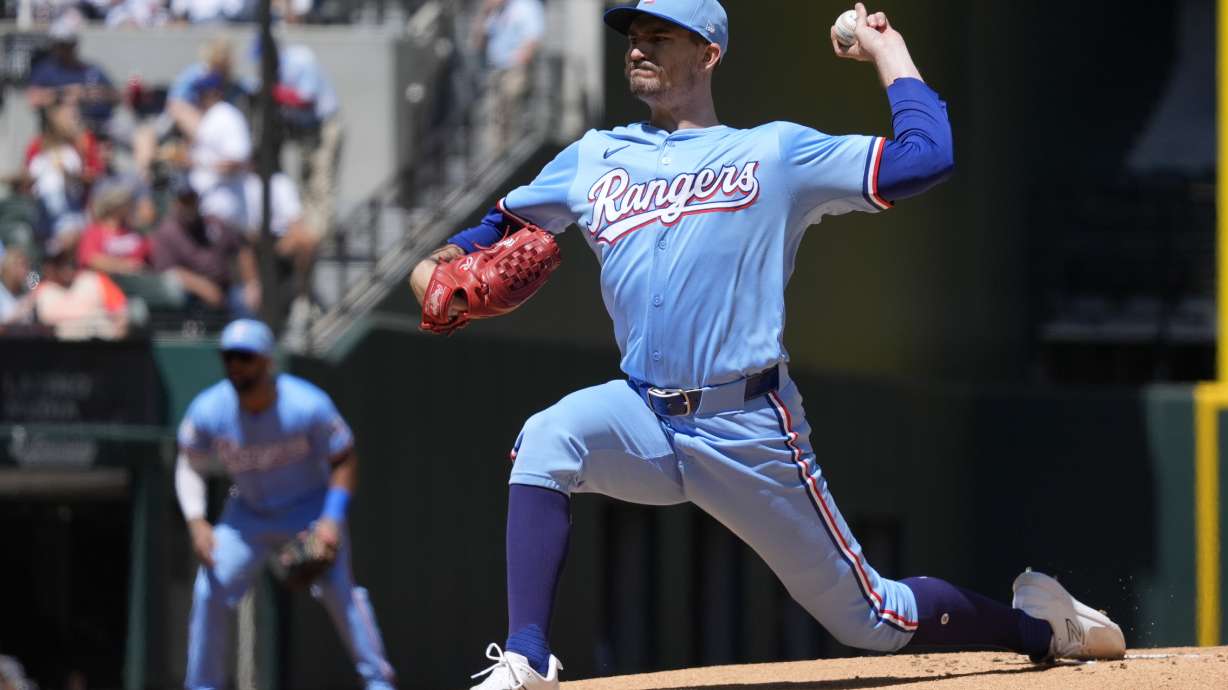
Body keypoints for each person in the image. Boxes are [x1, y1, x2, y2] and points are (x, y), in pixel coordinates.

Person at [409, 2, 1126, 688]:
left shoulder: (774, 153)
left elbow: (926, 157)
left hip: (745, 425)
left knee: (871, 618)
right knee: (546, 439)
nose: (638, 46)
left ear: (709, 52)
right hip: (643, 415)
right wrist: (430, 267)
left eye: (661, 35)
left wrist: (887, 49)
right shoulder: (594, 156)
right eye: (633, 34)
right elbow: (496, 228)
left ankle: (1042, 628)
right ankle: (528, 659)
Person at [174, 319, 396, 689]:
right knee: (209, 587)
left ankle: (379, 682)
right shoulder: (210, 408)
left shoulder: (307, 404)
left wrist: (331, 520)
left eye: (245, 356)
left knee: (342, 591)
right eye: (229, 356)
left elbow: (343, 459)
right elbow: (189, 462)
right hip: (246, 513)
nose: (236, 365)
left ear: (267, 361)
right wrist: (196, 520)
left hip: (308, 509)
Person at [151, 177, 261, 317]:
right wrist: (203, 287)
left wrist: (252, 283)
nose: (189, 206)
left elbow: (242, 249)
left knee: (245, 306)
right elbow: (168, 271)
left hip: (226, 290)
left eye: (192, 200)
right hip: (190, 297)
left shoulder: (213, 223)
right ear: (175, 204)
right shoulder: (166, 233)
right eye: (184, 201)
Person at [25, 10, 119, 135]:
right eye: (60, 45)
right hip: (60, 129)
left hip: (100, 124)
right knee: (69, 113)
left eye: (67, 45)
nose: (63, 50)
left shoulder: (91, 69)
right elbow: (33, 99)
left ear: (74, 45)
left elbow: (117, 96)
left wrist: (92, 93)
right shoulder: (45, 70)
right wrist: (65, 93)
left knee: (140, 134)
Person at [471, 0, 545, 152]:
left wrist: (518, 63)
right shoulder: (494, 12)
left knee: (512, 107)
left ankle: (513, 148)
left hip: (515, 68)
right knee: (494, 114)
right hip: (495, 69)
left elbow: (533, 38)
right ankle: (497, 152)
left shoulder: (526, 6)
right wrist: (484, 14)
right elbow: (478, 43)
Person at [32, 244, 128, 340]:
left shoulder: (94, 279)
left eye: (69, 263)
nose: (66, 268)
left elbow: (121, 314)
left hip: (99, 340)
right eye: (60, 263)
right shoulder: (43, 290)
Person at [76, 180, 151, 276]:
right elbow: (90, 259)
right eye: (127, 204)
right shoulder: (94, 232)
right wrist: (121, 265)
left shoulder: (135, 234)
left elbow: (142, 261)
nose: (131, 208)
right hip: (102, 283)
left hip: (132, 283)